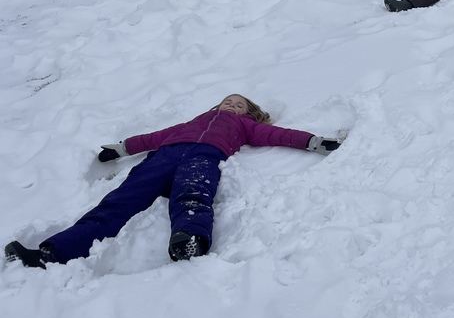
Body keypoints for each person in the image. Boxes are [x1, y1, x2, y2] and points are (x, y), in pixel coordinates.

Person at [4, 94, 340, 268]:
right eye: (227, 101)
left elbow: (277, 134)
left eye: (239, 104)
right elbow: (157, 136)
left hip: (204, 158)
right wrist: (121, 148)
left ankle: (189, 240)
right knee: (118, 203)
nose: (231, 105)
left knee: (193, 198)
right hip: (162, 157)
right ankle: (54, 252)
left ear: (248, 113)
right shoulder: (194, 121)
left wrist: (313, 141)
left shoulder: (246, 127)